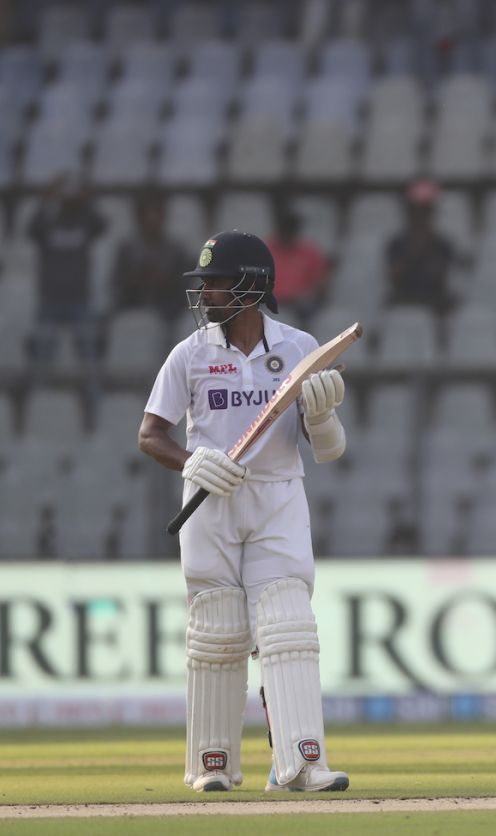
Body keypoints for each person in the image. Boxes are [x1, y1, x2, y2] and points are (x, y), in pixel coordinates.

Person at [137, 230, 350, 794]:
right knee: (218, 629)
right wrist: (191, 462)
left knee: (287, 624)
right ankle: (213, 764)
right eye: (204, 282)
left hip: (278, 494)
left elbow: (328, 451)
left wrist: (323, 418)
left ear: (251, 286)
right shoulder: (189, 353)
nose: (205, 292)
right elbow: (149, 435)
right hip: (211, 498)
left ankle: (301, 763)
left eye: (215, 281)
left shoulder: (300, 348)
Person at [27, 173, 106, 369]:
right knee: (43, 353)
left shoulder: (86, 220)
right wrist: (46, 199)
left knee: (88, 353)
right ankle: (40, 387)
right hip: (50, 297)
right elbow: (31, 229)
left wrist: (87, 199)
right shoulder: (47, 221)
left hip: (80, 297)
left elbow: (102, 225)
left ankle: (92, 388)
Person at [112, 191, 193, 321]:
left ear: (163, 216)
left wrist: (164, 280)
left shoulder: (176, 251)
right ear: (139, 217)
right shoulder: (126, 250)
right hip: (133, 307)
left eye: (157, 214)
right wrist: (138, 279)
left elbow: (184, 287)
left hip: (168, 312)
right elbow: (117, 284)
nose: (153, 220)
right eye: (148, 215)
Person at [385, 178, 456, 314]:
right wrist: (412, 251)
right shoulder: (397, 243)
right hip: (403, 298)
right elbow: (394, 276)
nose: (420, 217)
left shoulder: (442, 244)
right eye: (416, 211)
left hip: (433, 300)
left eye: (424, 211)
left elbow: (441, 277)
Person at [266, 203, 330, 326]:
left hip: (299, 304)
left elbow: (319, 282)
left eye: (291, 231)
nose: (287, 235)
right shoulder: (266, 249)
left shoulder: (310, 252)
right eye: (285, 230)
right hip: (271, 300)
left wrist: (309, 294)